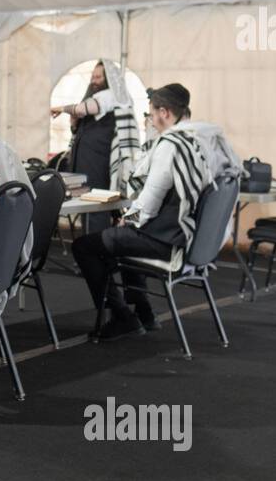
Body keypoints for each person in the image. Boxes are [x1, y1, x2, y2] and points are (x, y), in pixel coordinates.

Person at [72, 83, 241, 340]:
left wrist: (127, 221)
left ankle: (122, 317)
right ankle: (145, 313)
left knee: (85, 246)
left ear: (163, 112)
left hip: (172, 242)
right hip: (198, 242)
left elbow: (149, 202)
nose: (150, 120)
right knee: (126, 237)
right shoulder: (208, 139)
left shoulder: (171, 145)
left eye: (151, 114)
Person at [51, 59, 140, 233]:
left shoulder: (111, 95)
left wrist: (61, 108)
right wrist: (74, 121)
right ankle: (89, 250)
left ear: (108, 79)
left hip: (98, 162)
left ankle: (96, 250)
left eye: (98, 77)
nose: (94, 80)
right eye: (93, 76)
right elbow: (79, 121)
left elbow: (86, 108)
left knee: (96, 206)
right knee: (87, 205)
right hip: (86, 161)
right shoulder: (97, 96)